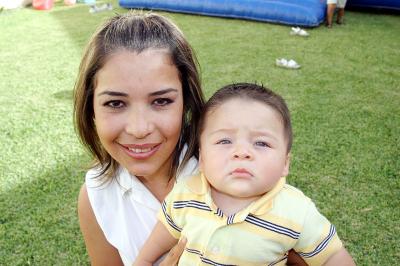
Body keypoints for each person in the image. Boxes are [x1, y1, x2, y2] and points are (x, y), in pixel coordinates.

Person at [74, 11, 307, 266]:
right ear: (90, 108)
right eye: (115, 103)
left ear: (186, 101)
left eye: (161, 101)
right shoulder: (97, 194)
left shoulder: (235, 171)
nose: (139, 129)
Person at [134, 83, 355, 265]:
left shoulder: (297, 211)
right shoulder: (184, 195)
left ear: (285, 163)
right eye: (224, 141)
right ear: (202, 158)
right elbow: (147, 256)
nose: (242, 152)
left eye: (261, 142)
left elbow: (333, 257)